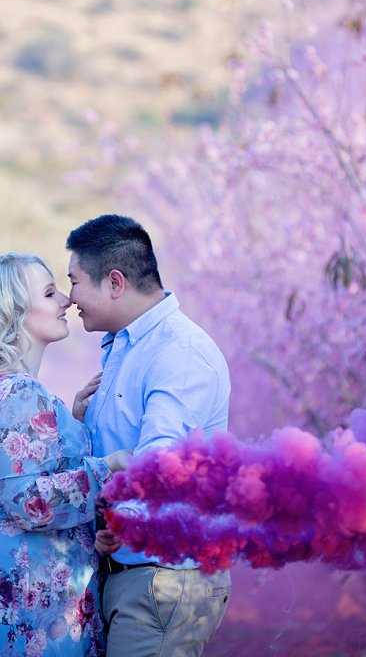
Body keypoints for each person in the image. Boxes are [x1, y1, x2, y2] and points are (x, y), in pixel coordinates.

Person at [66, 214, 232, 657]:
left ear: (115, 282)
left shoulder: (178, 353)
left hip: (165, 576)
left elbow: (160, 463)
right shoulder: (128, 345)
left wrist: (124, 521)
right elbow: (115, 453)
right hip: (131, 572)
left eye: (75, 282)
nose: (69, 297)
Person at [0, 252, 131, 657]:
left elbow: (22, 476)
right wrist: (111, 467)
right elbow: (27, 503)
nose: (66, 300)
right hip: (35, 601)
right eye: (50, 293)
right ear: (14, 312)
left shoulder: (2, 389)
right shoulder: (18, 392)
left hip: (29, 591)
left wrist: (67, 424)